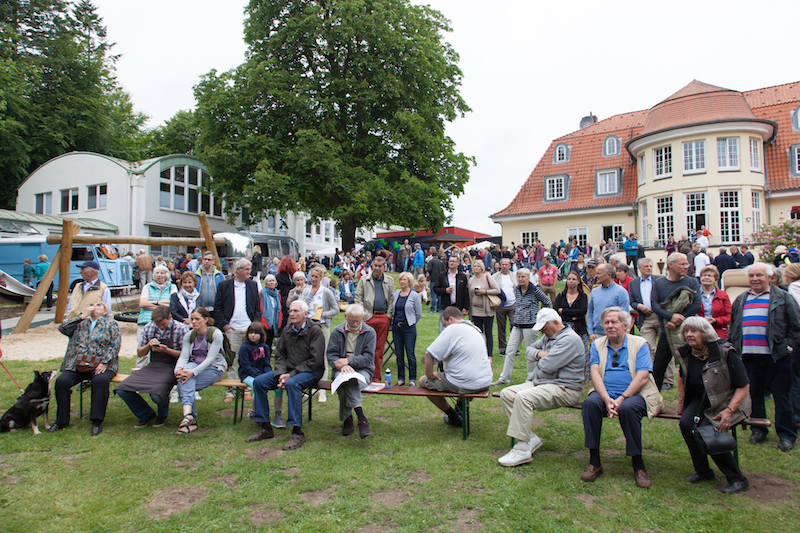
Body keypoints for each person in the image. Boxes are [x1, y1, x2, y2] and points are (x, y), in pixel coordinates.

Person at [580, 307, 661, 489]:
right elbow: (594, 373)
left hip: (636, 394)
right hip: (606, 393)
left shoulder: (640, 344)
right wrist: (607, 398)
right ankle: (594, 462)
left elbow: (643, 377)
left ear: (626, 325)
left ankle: (638, 465)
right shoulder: (597, 344)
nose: (610, 326)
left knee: (628, 408)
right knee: (590, 404)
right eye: (606, 323)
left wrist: (622, 398)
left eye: (614, 322)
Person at [497, 309, 585, 466]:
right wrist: (541, 355)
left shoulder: (570, 339)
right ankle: (530, 438)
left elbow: (548, 366)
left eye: (544, 328)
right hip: (543, 382)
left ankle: (522, 448)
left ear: (556, 323)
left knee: (523, 397)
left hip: (565, 387)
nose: (543, 333)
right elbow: (529, 351)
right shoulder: (549, 336)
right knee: (507, 393)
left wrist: (541, 357)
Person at [728, 263, 800, 452]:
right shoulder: (741, 299)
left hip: (777, 357)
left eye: (759, 275)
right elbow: (734, 326)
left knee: (781, 396)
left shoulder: (783, 298)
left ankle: (786, 435)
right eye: (751, 275)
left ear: (769, 276)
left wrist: (789, 347)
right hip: (749, 356)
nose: (755, 279)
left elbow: (795, 327)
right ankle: (758, 429)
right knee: (754, 395)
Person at [675, 317, 751, 493]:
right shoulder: (687, 353)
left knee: (708, 431)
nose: (689, 335)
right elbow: (681, 377)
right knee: (686, 424)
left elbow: (743, 386)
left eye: (694, 331)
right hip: (701, 399)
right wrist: (681, 404)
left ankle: (737, 478)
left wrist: (730, 411)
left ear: (706, 333)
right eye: (686, 331)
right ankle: (703, 472)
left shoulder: (725, 352)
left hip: (728, 401)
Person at [247, 300, 324, 449]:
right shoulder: (287, 330)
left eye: (296, 311)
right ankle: (265, 427)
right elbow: (280, 355)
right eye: (291, 311)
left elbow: (315, 360)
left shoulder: (315, 331)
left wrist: (291, 375)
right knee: (259, 382)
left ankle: (297, 432)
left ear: (305, 314)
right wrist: (282, 373)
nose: (292, 314)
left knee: (292, 383)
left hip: (310, 371)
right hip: (288, 371)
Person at [49, 302, 120, 436]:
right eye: (92, 305)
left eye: (99, 305)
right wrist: (81, 316)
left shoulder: (111, 324)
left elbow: (115, 345)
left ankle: (96, 421)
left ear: (105, 312)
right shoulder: (80, 324)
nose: (94, 307)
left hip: (102, 365)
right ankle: (62, 421)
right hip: (78, 364)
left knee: (100, 381)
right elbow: (63, 328)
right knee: (62, 382)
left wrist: (105, 362)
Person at [116, 305, 189, 428]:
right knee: (122, 389)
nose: (160, 327)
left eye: (163, 324)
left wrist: (167, 350)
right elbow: (140, 353)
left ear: (170, 317)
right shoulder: (149, 327)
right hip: (153, 366)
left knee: (157, 394)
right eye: (158, 324)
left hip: (174, 366)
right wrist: (148, 346)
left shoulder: (181, 329)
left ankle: (162, 415)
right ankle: (146, 414)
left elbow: (186, 356)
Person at [420, 307, 493, 427]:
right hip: (484, 380)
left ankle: (453, 416)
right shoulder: (475, 329)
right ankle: (460, 411)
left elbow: (429, 354)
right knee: (461, 375)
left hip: (468, 383)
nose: (444, 328)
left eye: (445, 325)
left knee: (423, 382)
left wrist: (430, 375)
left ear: (451, 319)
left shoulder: (453, 328)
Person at [651, 252, 702, 390]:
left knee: (689, 367)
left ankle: (690, 401)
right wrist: (670, 316)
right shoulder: (659, 283)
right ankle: (653, 400)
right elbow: (654, 304)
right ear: (671, 265)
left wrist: (679, 319)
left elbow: (696, 305)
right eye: (683, 264)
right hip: (665, 333)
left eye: (687, 264)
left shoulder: (692, 282)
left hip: (687, 333)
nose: (686, 266)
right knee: (658, 367)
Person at [288, 265, 339, 401]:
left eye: (316, 277)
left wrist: (324, 314)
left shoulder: (326, 292)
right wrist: (310, 293)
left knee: (321, 356)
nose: (314, 279)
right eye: (312, 276)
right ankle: (309, 386)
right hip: (307, 326)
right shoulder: (306, 290)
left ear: (322, 278)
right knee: (306, 356)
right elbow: (301, 305)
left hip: (322, 326)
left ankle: (321, 389)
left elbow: (336, 309)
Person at [492, 268, 551, 386]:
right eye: (519, 277)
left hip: (530, 325)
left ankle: (531, 379)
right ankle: (504, 378)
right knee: (510, 351)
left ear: (529, 278)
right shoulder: (517, 289)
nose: (521, 279)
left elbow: (547, 301)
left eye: (523, 277)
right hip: (517, 324)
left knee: (531, 352)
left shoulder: (535, 290)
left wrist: (539, 316)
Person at [214, 258, 262, 403]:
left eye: (249, 269)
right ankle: (232, 391)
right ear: (238, 270)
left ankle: (247, 388)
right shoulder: (224, 285)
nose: (249, 272)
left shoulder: (252, 285)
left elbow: (256, 307)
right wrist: (225, 325)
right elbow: (218, 307)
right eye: (247, 269)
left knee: (249, 360)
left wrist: (254, 325)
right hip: (232, 329)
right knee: (233, 360)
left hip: (249, 329)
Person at [174, 307, 228, 434]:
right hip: (194, 366)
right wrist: (178, 370)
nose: (194, 322)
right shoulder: (189, 335)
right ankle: (188, 417)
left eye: (197, 319)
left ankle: (190, 419)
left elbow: (210, 358)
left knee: (185, 381)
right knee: (184, 378)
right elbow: (184, 356)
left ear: (206, 320)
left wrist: (191, 373)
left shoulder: (215, 333)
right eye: (192, 319)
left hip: (214, 367)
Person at [327, 304, 376, 438]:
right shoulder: (337, 331)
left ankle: (348, 419)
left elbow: (368, 358)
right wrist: (342, 366)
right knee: (345, 380)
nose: (355, 324)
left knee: (350, 381)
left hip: (363, 369)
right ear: (345, 317)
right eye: (352, 320)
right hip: (340, 369)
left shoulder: (370, 332)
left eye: (358, 321)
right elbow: (331, 355)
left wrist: (349, 361)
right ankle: (361, 418)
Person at [354, 256, 395, 382]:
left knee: (379, 348)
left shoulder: (390, 280)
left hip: (383, 317)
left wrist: (389, 315)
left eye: (379, 266)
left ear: (384, 267)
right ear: (372, 266)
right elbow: (358, 298)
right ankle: (363, 374)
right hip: (368, 317)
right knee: (365, 347)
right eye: (375, 266)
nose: (377, 268)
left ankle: (376, 377)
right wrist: (364, 315)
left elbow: (393, 299)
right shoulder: (364, 280)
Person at [136, 265, 176, 369]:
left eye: (162, 273)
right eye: (157, 273)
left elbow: (173, 303)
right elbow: (142, 303)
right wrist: (160, 306)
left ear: (166, 275)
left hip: (163, 322)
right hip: (145, 320)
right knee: (143, 348)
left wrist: (153, 302)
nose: (159, 275)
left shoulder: (172, 287)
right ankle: (140, 371)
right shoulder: (147, 287)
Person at [554, 271, 589, 378]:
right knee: (564, 351)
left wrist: (563, 311)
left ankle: (585, 376)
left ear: (578, 281)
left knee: (582, 352)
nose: (571, 281)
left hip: (579, 328)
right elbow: (555, 311)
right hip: (563, 328)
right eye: (569, 279)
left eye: (574, 279)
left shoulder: (582, 296)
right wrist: (572, 316)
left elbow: (582, 311)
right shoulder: (561, 295)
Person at [391, 272, 423, 386]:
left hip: (408, 328)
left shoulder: (415, 296)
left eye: (404, 280)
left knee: (410, 354)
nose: (402, 282)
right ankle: (401, 378)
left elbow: (418, 313)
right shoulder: (396, 294)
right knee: (399, 354)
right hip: (396, 328)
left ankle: (412, 379)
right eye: (401, 280)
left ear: (409, 281)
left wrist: (411, 322)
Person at [587, 264, 630, 341]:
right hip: (597, 335)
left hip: (615, 335)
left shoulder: (621, 292)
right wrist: (591, 332)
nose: (596, 276)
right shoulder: (594, 291)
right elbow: (590, 313)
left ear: (608, 275)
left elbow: (625, 316)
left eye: (599, 273)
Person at [468, 259, 501, 361]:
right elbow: (469, 296)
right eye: (474, 266)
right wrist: (469, 311)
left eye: (478, 266)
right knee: (478, 333)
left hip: (487, 310)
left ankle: (489, 355)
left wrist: (485, 292)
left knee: (488, 333)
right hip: (475, 310)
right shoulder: (471, 280)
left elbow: (497, 290)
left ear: (482, 268)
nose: (476, 268)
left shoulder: (487, 277)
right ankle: (479, 353)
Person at [629, 258, 661, 359]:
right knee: (647, 348)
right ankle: (649, 373)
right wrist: (639, 306)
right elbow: (632, 301)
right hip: (646, 318)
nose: (649, 268)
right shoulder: (633, 283)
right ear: (639, 268)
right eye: (646, 266)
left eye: (650, 266)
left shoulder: (659, 280)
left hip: (660, 317)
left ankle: (667, 375)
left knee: (663, 349)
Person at [433, 254, 470, 332]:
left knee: (458, 330)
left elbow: (466, 293)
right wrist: (445, 291)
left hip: (458, 308)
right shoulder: (442, 275)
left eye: (453, 261)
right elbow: (435, 289)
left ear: (458, 263)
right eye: (450, 261)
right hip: (445, 307)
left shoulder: (462, 276)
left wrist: (466, 307)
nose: (451, 263)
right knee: (443, 330)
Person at [492, 258, 518, 356]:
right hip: (500, 305)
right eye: (502, 264)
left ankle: (513, 347)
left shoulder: (514, 276)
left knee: (514, 325)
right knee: (501, 327)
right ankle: (503, 348)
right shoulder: (495, 276)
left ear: (510, 266)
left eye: (506, 264)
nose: (504, 266)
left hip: (513, 304)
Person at [698, 265, 731, 340]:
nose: (706, 277)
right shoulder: (694, 294)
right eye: (704, 275)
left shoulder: (723, 296)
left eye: (710, 276)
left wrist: (716, 320)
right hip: (698, 332)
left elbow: (730, 316)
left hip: (718, 333)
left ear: (715, 279)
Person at [276, 256, 297, 334]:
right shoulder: (295, 277)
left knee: (284, 318)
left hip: (283, 299)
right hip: (294, 299)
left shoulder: (278, 277)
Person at [260, 274, 281, 349]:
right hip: (264, 322)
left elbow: (279, 309)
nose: (272, 282)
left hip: (274, 322)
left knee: (269, 342)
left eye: (273, 281)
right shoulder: (262, 294)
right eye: (269, 281)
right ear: (266, 283)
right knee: (263, 342)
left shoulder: (277, 295)